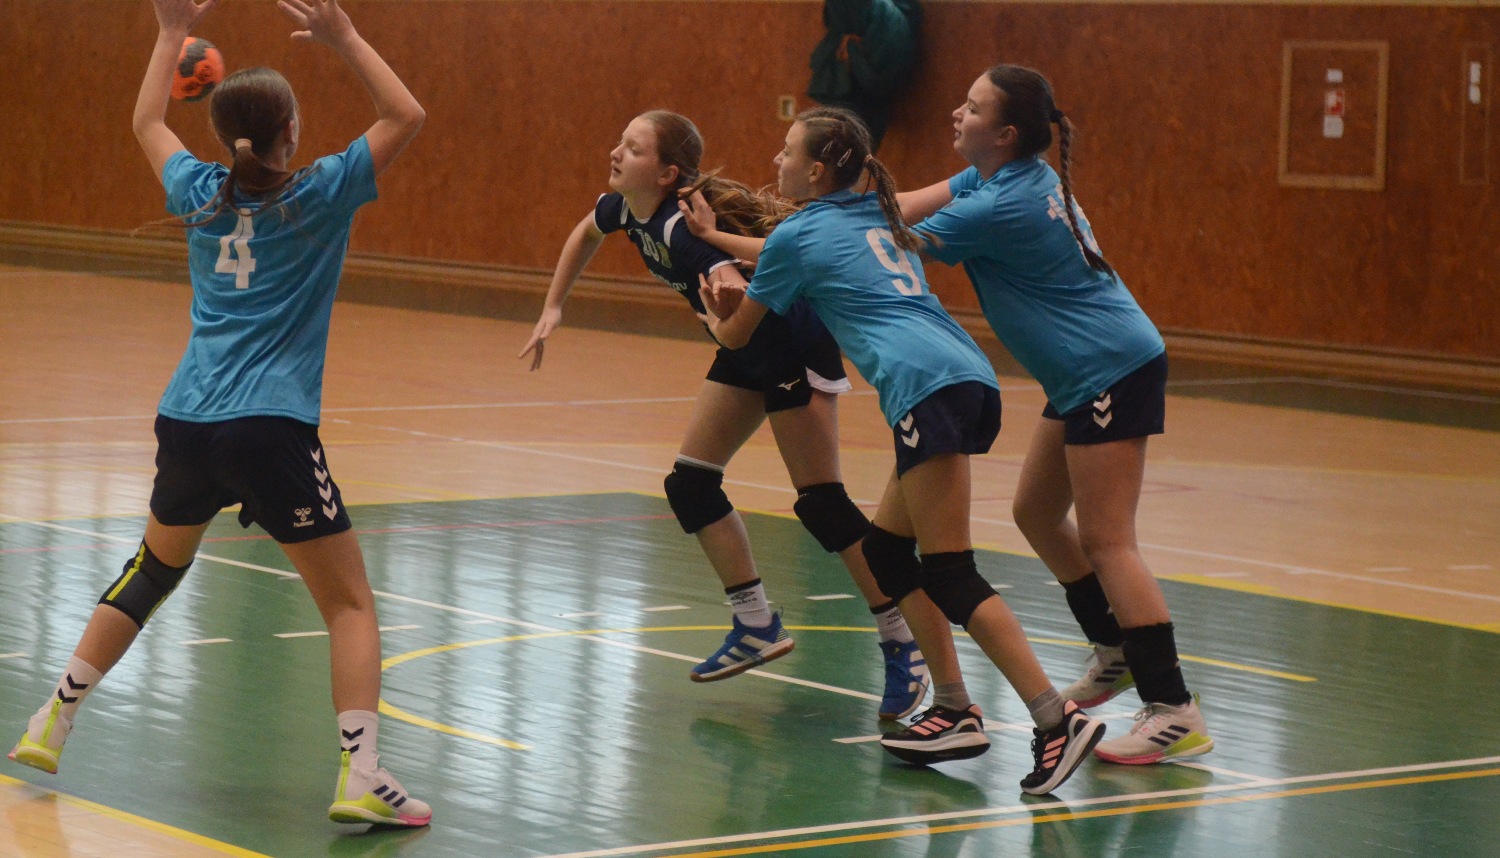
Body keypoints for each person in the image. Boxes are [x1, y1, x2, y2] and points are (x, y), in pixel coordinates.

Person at [8, 0, 433, 826]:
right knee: (349, 605)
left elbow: (144, 121)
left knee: (153, 570)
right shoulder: (320, 192)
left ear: (221, 136)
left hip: (187, 420)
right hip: (269, 426)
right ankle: (361, 775)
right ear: (292, 131)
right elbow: (406, 114)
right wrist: (345, 38)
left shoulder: (198, 191)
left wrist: (169, 31)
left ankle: (50, 719)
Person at [701, 106, 1103, 795]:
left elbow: (738, 336)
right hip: (965, 376)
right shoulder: (875, 208)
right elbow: (808, 248)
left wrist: (716, 303)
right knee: (888, 554)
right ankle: (953, 708)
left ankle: (1054, 718)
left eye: (787, 152)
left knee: (951, 572)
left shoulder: (798, 233)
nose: (776, 162)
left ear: (816, 171)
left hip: (928, 388)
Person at [518, 110, 929, 720]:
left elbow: (734, 289)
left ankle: (903, 640)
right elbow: (586, 232)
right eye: (620, 141)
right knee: (690, 484)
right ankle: (756, 623)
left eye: (632, 148)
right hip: (743, 347)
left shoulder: (681, 230)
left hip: (787, 344)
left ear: (667, 174)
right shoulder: (625, 209)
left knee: (823, 504)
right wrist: (554, 305)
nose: (615, 152)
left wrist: (725, 297)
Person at [897, 64, 1214, 765]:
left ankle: (1173, 709)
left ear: (1005, 133)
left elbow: (890, 239)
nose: (956, 113)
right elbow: (908, 203)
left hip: (1110, 367)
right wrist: (847, 198)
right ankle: (1113, 647)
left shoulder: (995, 205)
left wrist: (801, 223)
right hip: (1085, 371)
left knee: (1109, 541)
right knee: (1037, 512)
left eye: (972, 107)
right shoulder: (1003, 175)